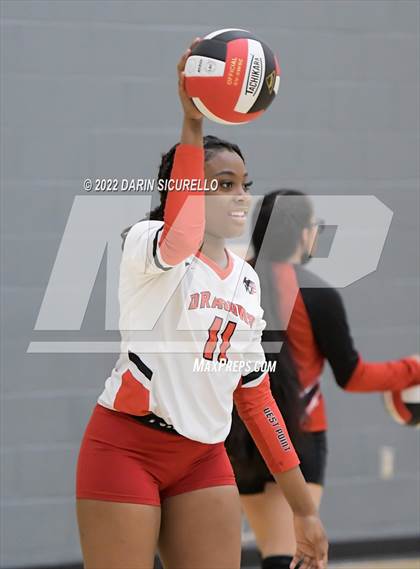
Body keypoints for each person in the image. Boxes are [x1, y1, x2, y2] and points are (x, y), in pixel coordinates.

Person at [75, 42, 328, 569]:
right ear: (183, 189)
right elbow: (183, 231)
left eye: (244, 185)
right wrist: (191, 120)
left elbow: (257, 401)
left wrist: (304, 510)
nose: (240, 196)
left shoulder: (246, 282)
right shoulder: (149, 244)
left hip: (203, 457)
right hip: (126, 449)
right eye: (222, 185)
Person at [226, 189, 420, 569]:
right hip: (299, 436)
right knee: (295, 557)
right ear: (301, 233)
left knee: (275, 554)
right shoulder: (317, 293)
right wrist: (413, 368)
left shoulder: (231, 285)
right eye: (314, 226)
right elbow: (353, 376)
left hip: (240, 434)